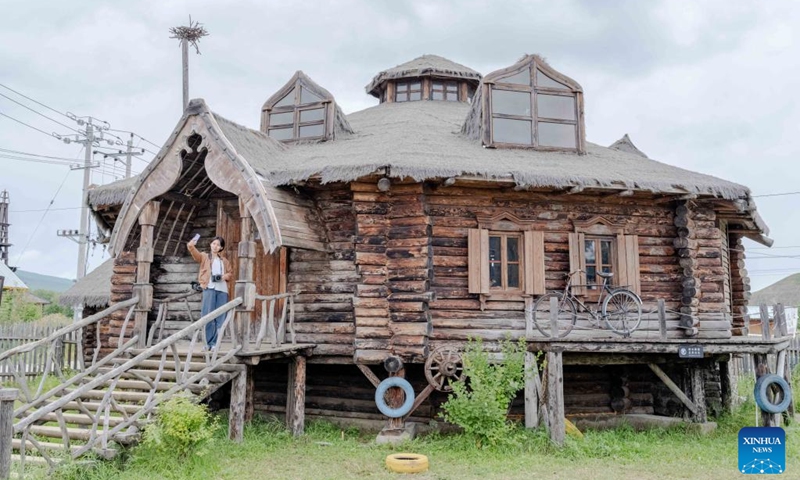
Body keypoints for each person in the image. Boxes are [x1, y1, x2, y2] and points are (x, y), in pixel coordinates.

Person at [187, 235, 233, 349]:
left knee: (221, 317)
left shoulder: (225, 261)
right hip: (209, 288)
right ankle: (208, 343)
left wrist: (223, 276)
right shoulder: (204, 256)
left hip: (222, 290)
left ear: (221, 248)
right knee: (207, 316)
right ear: (210, 244)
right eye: (214, 243)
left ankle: (215, 343)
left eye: (218, 245)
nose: (215, 246)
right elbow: (194, 253)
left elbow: (230, 274)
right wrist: (191, 245)